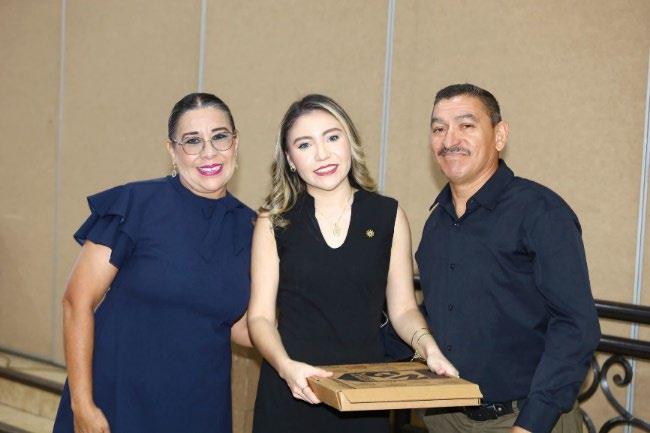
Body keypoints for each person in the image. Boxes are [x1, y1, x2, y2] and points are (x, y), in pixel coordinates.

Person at [247, 94, 458, 433]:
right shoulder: (273, 221)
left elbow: (404, 309)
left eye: (332, 137)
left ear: (350, 142)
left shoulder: (388, 215)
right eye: (304, 144)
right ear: (289, 159)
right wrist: (285, 367)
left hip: (362, 395)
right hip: (291, 389)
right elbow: (260, 317)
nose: (322, 154)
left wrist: (428, 348)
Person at [53, 93, 255, 433]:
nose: (208, 152)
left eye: (219, 137)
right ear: (172, 151)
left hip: (200, 407)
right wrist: (82, 404)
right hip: (117, 399)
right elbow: (77, 302)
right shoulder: (137, 204)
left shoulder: (251, 228)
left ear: (235, 143)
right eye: (193, 141)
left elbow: (239, 327)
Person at [416, 83, 601, 433]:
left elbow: (576, 327)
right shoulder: (436, 224)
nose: (450, 139)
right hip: (445, 418)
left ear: (499, 135)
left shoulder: (541, 212)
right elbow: (438, 314)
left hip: (525, 419)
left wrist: (532, 423)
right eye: (439, 129)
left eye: (466, 125)